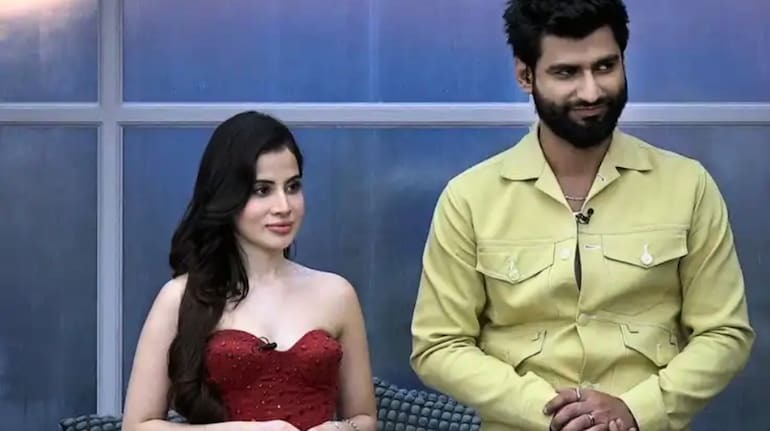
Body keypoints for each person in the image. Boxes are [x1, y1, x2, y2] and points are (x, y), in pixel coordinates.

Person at [409, 1, 754, 431]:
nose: (591, 92)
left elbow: (725, 334)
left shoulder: (688, 185)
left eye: (605, 67)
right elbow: (439, 345)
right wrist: (556, 414)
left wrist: (637, 410)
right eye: (567, 73)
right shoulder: (469, 199)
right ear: (525, 76)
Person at [122, 111, 377, 431]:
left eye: (293, 186)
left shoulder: (337, 294)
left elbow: (365, 419)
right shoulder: (180, 297)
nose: (284, 207)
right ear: (226, 196)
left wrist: (338, 429)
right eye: (262, 190)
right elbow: (137, 426)